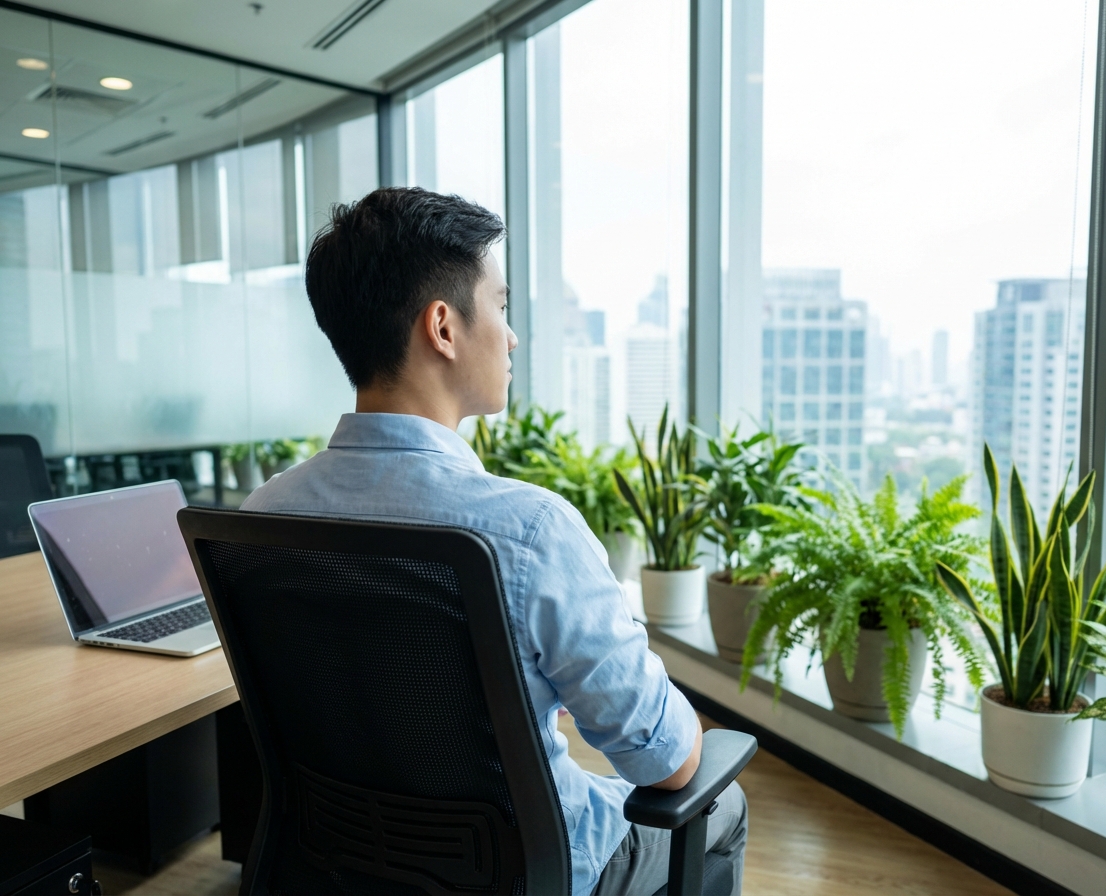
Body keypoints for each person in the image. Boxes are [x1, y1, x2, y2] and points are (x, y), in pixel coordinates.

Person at [241, 187, 747, 895]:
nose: (510, 337)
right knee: (723, 799)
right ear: (443, 327)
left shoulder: (264, 517)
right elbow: (666, 762)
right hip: (520, 872)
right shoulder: (529, 531)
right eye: (501, 306)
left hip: (336, 860)